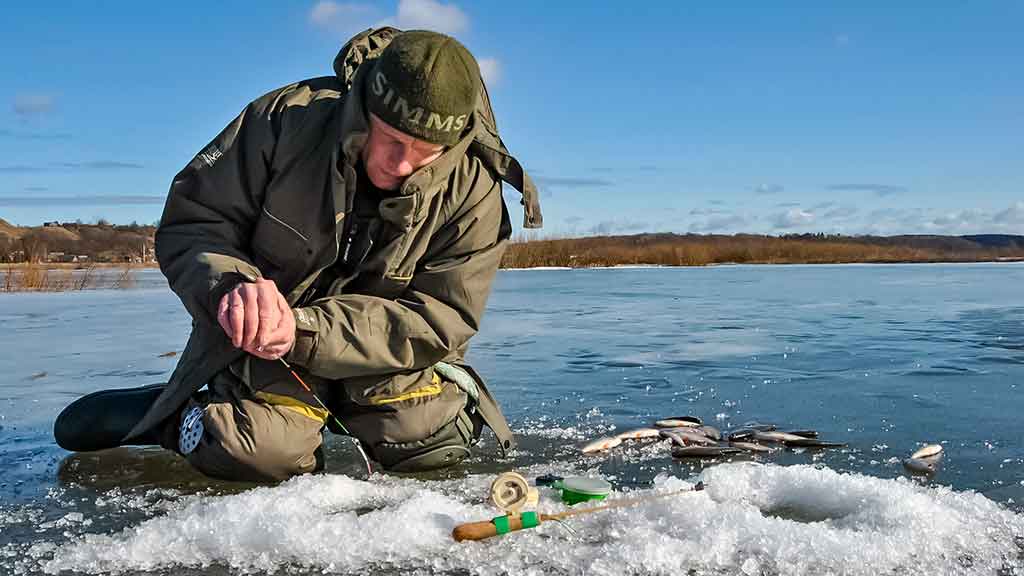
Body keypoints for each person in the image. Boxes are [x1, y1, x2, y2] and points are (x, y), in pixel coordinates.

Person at [53, 27, 542, 482]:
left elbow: (440, 318)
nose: (400, 165)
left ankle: (355, 412)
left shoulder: (475, 190)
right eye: (391, 139)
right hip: (262, 345)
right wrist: (232, 287)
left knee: (430, 444)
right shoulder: (285, 121)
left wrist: (305, 329)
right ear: (366, 106)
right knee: (257, 452)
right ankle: (177, 417)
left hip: (380, 354)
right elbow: (195, 224)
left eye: (425, 151)